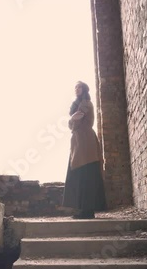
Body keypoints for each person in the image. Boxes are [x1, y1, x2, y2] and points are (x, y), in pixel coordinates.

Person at [62, 81, 107, 219]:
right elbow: (73, 121)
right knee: (81, 174)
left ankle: (87, 211)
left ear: (84, 89)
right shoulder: (78, 104)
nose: (76, 89)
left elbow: (75, 120)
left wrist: (71, 120)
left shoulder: (86, 103)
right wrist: (71, 120)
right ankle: (83, 210)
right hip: (79, 141)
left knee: (86, 174)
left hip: (85, 141)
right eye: (75, 87)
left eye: (79, 87)